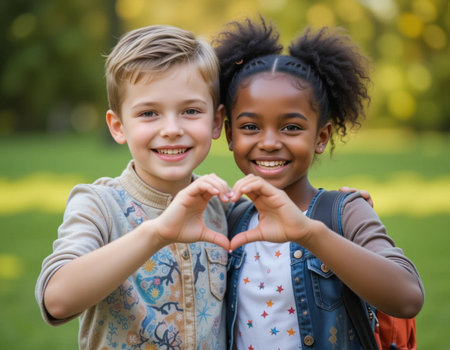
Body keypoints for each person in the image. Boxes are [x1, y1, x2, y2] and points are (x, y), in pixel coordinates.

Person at [213, 17, 424, 349]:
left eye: (291, 128)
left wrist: (309, 233)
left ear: (321, 136)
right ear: (229, 135)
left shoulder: (345, 212)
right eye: (250, 127)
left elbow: (408, 297)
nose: (269, 142)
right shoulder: (228, 218)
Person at [35, 24, 234, 349]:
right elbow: (57, 299)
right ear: (118, 126)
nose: (171, 129)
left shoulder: (220, 206)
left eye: (191, 111)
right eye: (149, 113)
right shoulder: (98, 204)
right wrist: (157, 233)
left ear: (215, 121)